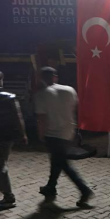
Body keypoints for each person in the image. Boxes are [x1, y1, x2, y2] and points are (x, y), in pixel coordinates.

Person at [36, 67, 93, 207]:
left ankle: (84, 190)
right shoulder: (69, 90)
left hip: (52, 133)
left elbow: (42, 118)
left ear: (42, 78)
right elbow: (74, 108)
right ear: (55, 77)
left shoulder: (41, 95)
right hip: (68, 131)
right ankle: (50, 187)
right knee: (57, 160)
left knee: (63, 163)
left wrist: (41, 134)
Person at [0, 70, 27, 209]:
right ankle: (2, 188)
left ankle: (8, 196)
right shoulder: (10, 98)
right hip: (6, 137)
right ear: (0, 81)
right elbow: (18, 118)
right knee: (0, 163)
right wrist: (23, 134)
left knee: (0, 166)